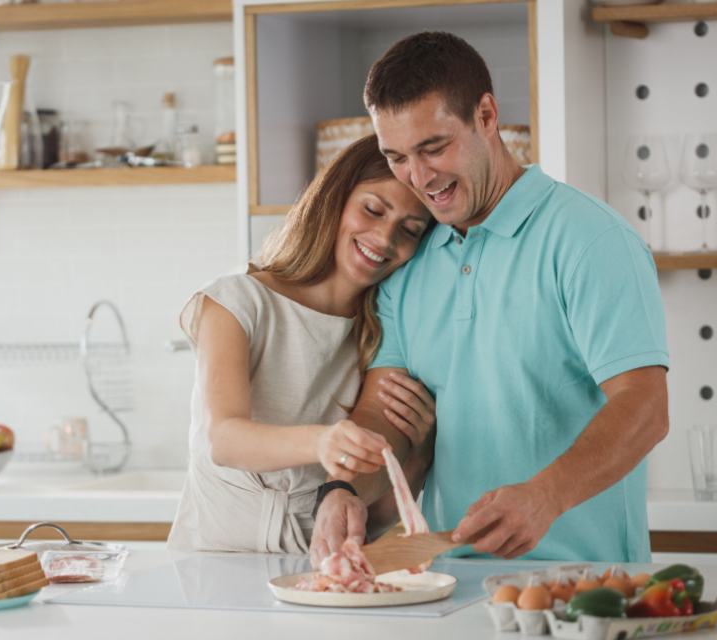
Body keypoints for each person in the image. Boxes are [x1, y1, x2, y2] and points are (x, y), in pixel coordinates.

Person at [309, 32, 669, 566]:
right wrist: (340, 491)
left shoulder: (591, 241)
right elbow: (385, 413)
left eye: (434, 147)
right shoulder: (408, 262)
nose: (420, 177)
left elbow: (645, 406)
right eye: (397, 157)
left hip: (585, 584)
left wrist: (546, 494)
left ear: (486, 115)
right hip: (451, 587)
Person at [167, 135, 436, 553]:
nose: (384, 239)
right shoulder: (235, 301)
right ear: (335, 198)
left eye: (410, 230)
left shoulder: (383, 336)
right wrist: (321, 441)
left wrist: (418, 460)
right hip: (210, 566)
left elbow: (371, 520)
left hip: (313, 575)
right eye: (373, 209)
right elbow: (224, 439)